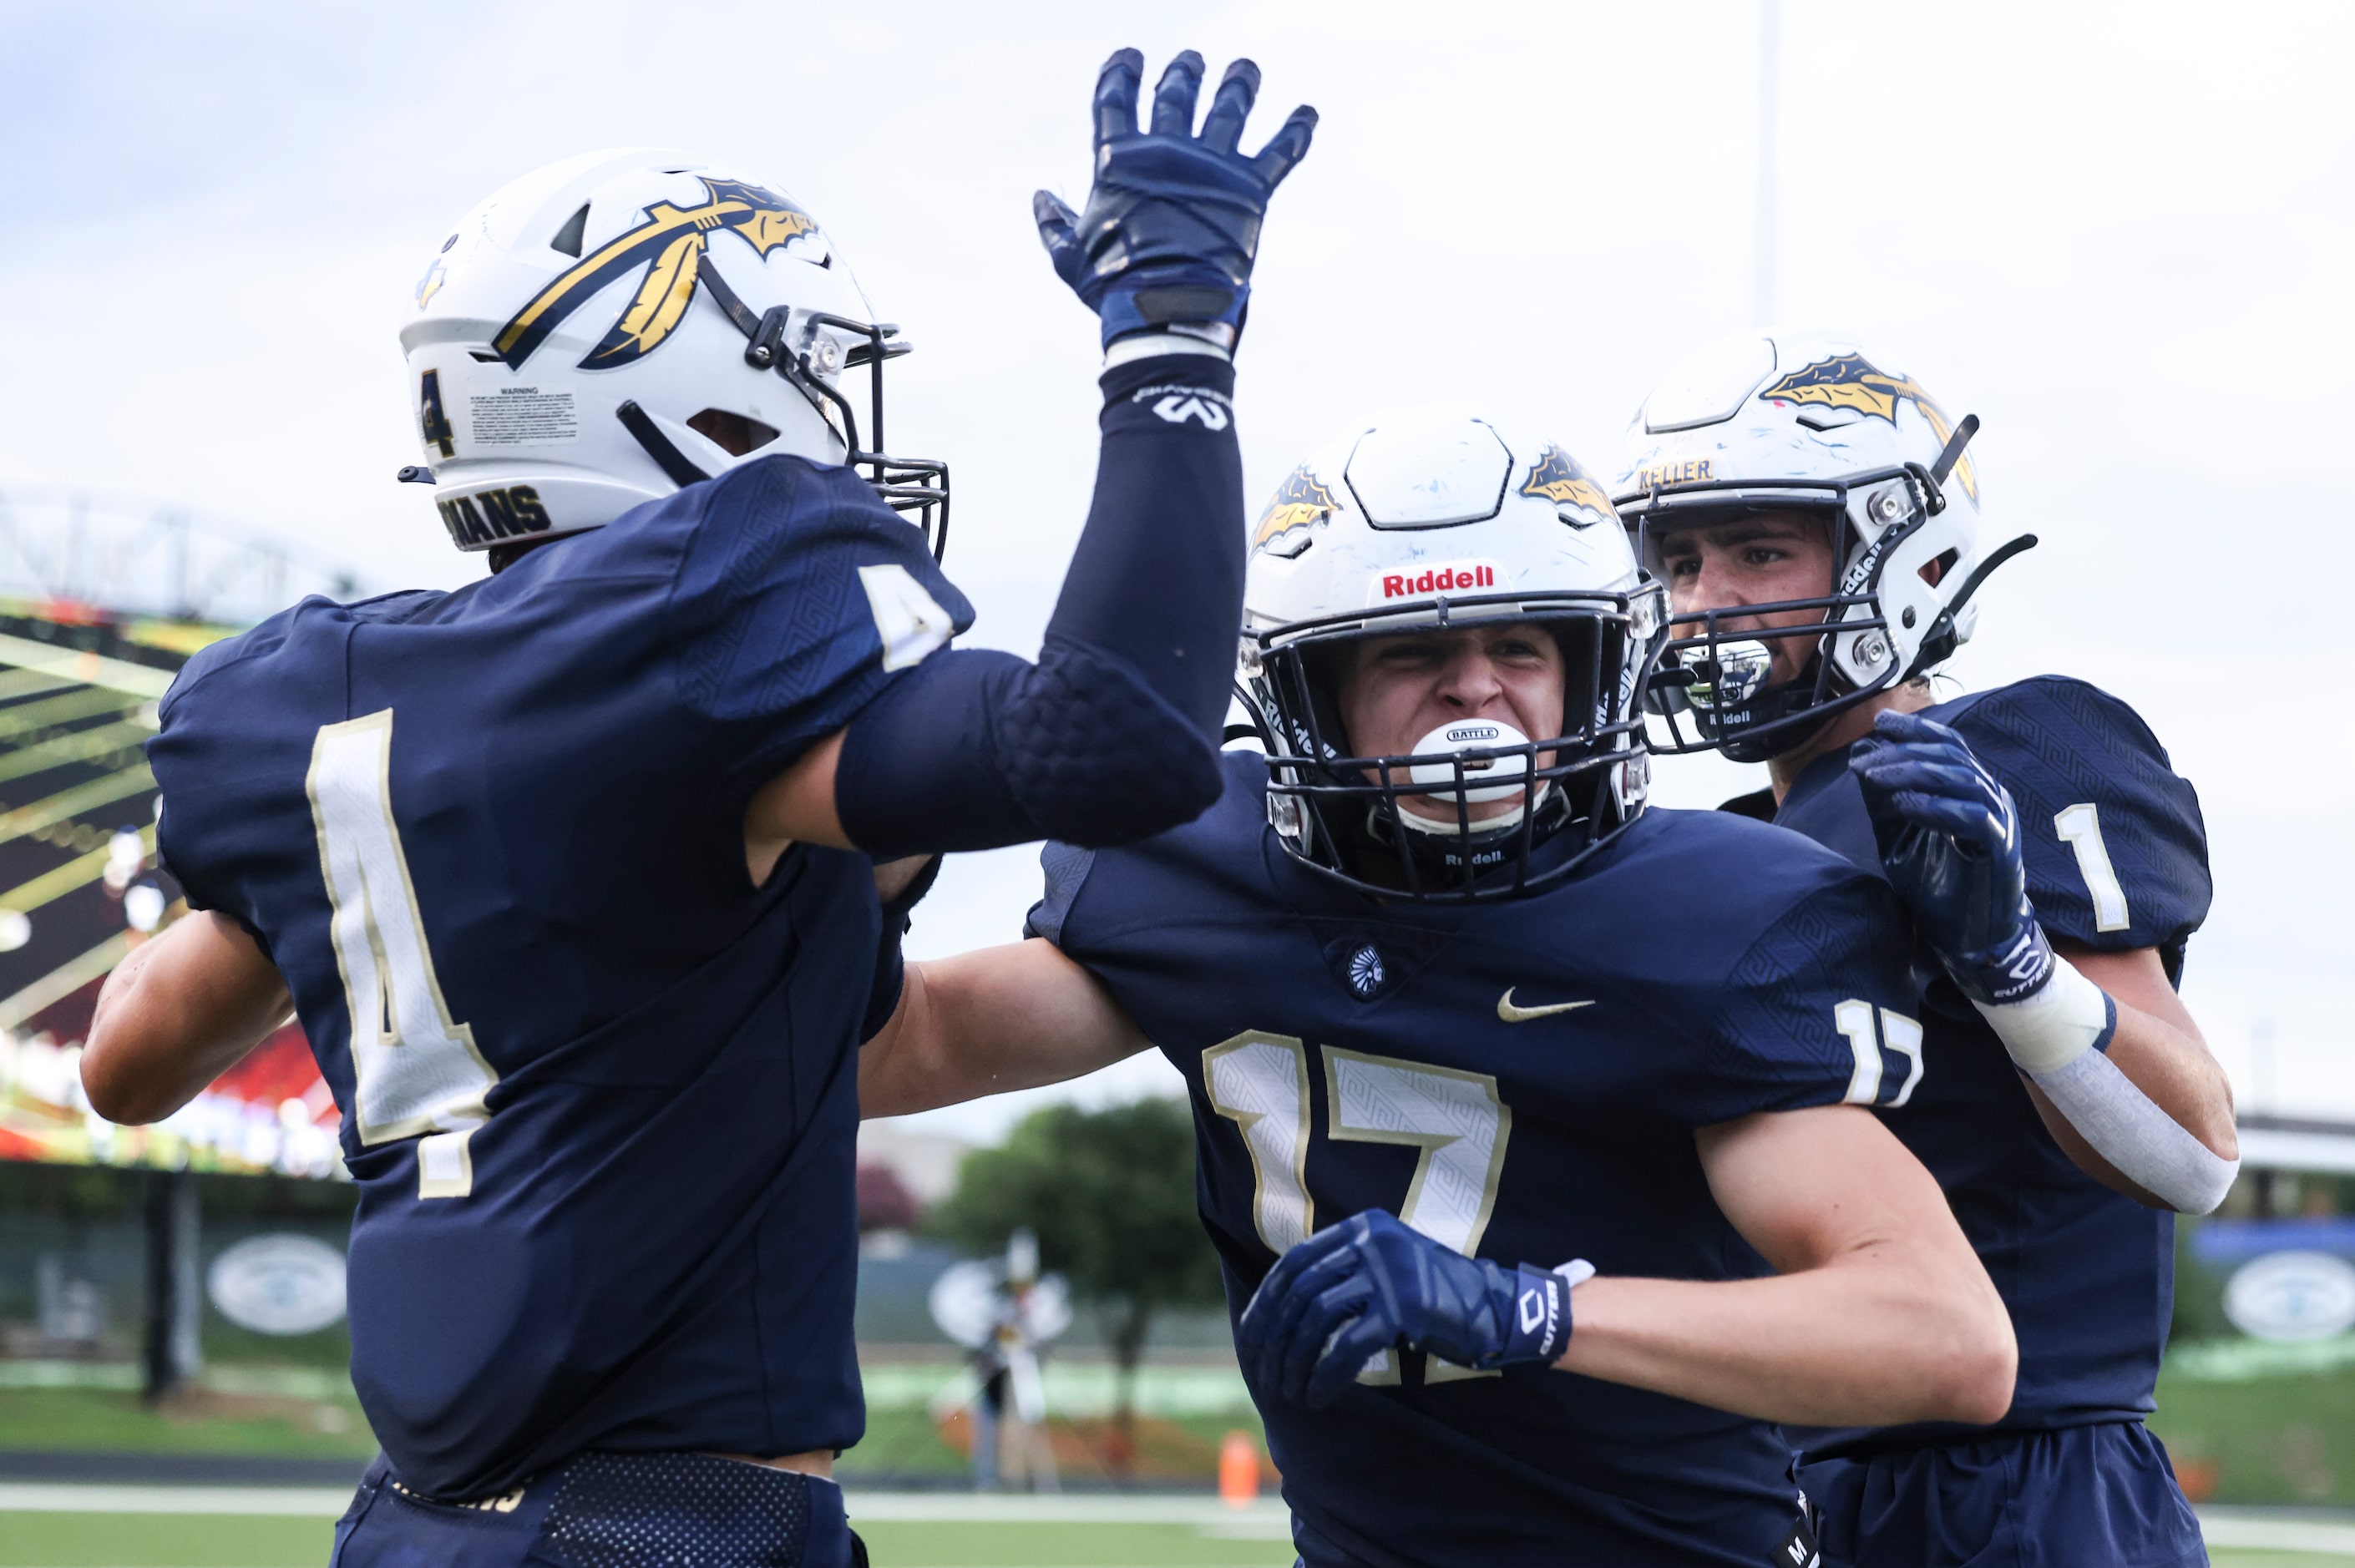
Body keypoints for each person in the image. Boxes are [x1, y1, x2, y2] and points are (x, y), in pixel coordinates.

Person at [78, 48, 1314, 1568]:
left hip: (412, 1525)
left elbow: (130, 1064)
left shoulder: (314, 707)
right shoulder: (695, 632)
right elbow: (1117, 737)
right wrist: (1169, 342)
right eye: (814, 372)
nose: (838, 425)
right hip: (670, 1522)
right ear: (682, 396)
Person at [860, 411, 2018, 1567]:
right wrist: (875, 835)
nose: (1477, 692)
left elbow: (1945, 1335)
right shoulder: (1193, 872)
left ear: (1590, 668)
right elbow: (890, 1051)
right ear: (1310, 686)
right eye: (1412, 653)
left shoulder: (1705, 918)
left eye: (1522, 649)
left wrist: (1530, 1311)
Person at [1614, 331, 2237, 1567]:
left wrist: (2008, 960)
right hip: (1782, 1490)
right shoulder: (1716, 852)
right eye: (1679, 560)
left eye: (1756, 550)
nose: (1703, 600)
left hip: (2021, 1484)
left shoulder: (2013, 754)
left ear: (1903, 551)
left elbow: (2195, 1151)